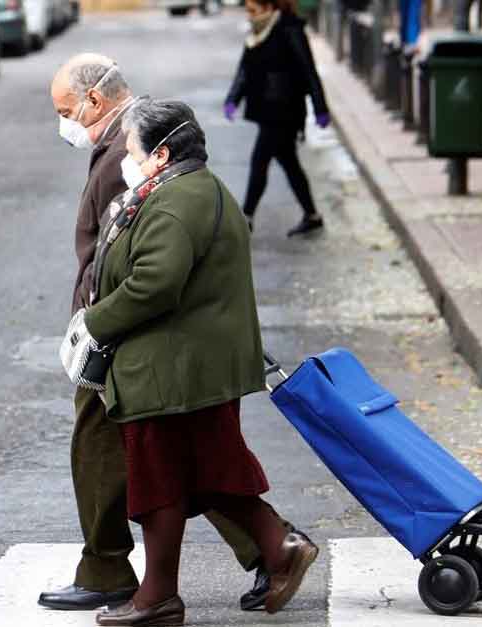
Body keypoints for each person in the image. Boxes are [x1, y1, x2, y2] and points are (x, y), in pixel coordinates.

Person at [44, 55, 302, 614]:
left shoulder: (164, 188)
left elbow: (151, 278)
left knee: (167, 474)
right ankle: (265, 550)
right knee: (196, 469)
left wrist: (94, 320)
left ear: (157, 155)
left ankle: (147, 585)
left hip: (166, 358)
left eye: (68, 111)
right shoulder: (177, 183)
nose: (64, 124)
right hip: (173, 356)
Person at [225, 0, 332, 237]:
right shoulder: (257, 31)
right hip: (267, 109)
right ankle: (312, 215)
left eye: (253, 10)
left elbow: (308, 70)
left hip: (285, 110)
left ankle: (246, 217)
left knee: (260, 160)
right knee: (289, 163)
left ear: (269, 8)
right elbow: (245, 69)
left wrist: (320, 107)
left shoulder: (289, 29)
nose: (249, 16)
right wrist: (232, 97)